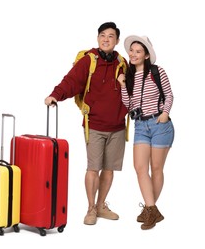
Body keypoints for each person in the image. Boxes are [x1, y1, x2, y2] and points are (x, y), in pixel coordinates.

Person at [44, 22, 128, 225]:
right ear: (98, 38)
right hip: (95, 125)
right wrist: (55, 95)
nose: (106, 39)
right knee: (93, 168)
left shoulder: (123, 63)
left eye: (110, 36)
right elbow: (71, 81)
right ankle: (90, 208)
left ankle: (101, 206)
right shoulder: (88, 60)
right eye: (102, 36)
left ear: (117, 41)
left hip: (118, 126)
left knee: (109, 170)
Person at [117, 35, 174, 230]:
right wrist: (123, 85)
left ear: (146, 55)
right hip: (140, 125)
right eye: (131, 51)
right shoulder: (129, 75)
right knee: (140, 167)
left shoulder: (157, 72)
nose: (133, 54)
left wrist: (165, 113)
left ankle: (150, 210)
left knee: (156, 168)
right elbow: (128, 104)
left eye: (138, 51)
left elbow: (169, 95)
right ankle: (152, 209)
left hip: (159, 124)